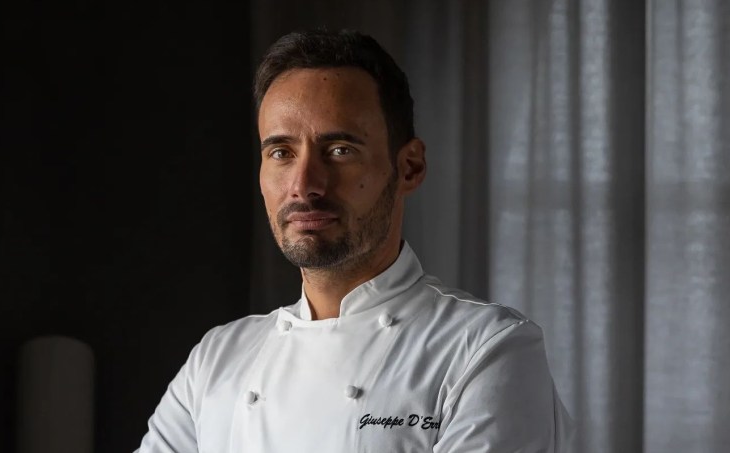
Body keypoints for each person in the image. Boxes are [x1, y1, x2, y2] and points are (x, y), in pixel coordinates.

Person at [136, 29, 572, 453]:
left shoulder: (487, 349)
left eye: (340, 150)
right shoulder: (217, 358)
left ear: (409, 167)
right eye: (281, 153)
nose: (304, 185)